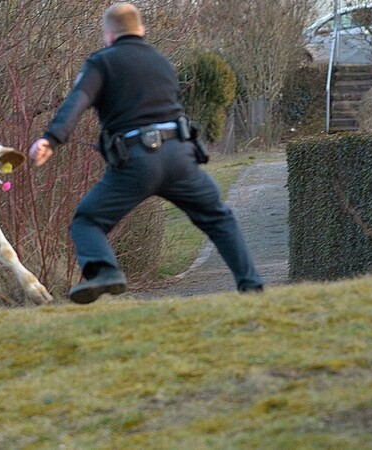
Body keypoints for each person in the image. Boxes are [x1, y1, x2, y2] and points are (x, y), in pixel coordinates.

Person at [29, 2, 264, 304]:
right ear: (141, 30)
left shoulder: (102, 63)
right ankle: (252, 285)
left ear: (108, 35)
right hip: (180, 157)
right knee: (219, 218)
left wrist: (51, 139)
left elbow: (77, 101)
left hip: (137, 160)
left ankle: (105, 272)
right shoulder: (162, 62)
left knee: (88, 220)